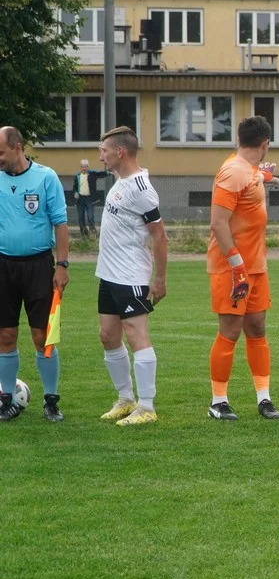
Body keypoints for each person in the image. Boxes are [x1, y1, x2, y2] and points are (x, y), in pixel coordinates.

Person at [206, 116, 279, 421]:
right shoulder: (232, 172)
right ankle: (218, 401)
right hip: (232, 267)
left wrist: (265, 177)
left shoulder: (247, 170)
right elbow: (218, 222)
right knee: (230, 330)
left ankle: (264, 398)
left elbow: (250, 179)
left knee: (257, 328)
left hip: (255, 267)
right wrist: (236, 262)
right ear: (265, 144)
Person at [94, 126, 168, 426]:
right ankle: (126, 399)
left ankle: (147, 407)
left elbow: (160, 236)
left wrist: (159, 280)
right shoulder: (121, 179)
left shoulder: (141, 189)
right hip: (109, 276)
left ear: (120, 152)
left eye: (104, 151)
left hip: (130, 277)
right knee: (108, 336)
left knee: (136, 335)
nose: (101, 156)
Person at [0, 127, 69, 422]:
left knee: (43, 337)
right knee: (5, 334)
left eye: (1, 152)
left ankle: (50, 400)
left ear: (17, 147)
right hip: (4, 266)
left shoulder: (46, 177)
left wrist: (62, 265)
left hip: (40, 266)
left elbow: (61, 223)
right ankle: (6, 398)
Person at [73, 159, 106, 237]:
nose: (84, 168)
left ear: (88, 167)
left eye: (86, 166)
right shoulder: (77, 176)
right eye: (82, 167)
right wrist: (75, 192)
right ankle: (85, 235)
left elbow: (100, 173)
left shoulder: (92, 174)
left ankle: (93, 233)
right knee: (80, 219)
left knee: (90, 217)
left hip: (89, 198)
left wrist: (109, 172)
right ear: (80, 167)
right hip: (80, 199)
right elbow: (75, 187)